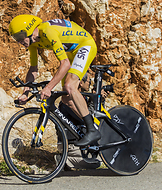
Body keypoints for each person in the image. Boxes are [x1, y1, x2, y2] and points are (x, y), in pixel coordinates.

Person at [8, 14, 100, 146]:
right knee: (66, 100)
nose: (19, 41)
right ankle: (94, 126)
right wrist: (25, 93)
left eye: (19, 37)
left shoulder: (47, 31)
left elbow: (65, 64)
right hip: (72, 51)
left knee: (70, 86)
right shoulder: (33, 43)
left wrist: (48, 88)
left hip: (85, 45)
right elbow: (33, 69)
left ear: (28, 30)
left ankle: (92, 131)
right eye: (16, 39)